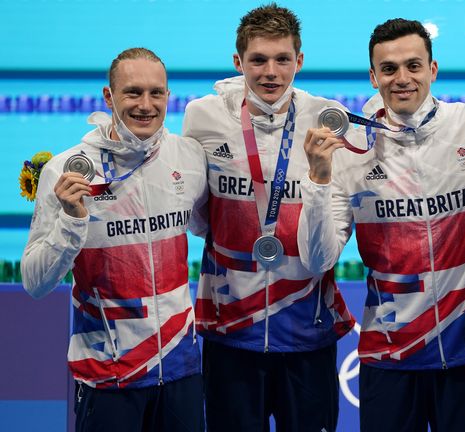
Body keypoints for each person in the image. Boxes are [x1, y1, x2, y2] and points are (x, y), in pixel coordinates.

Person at [298, 18, 465, 432]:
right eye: (389, 69)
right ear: (373, 77)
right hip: (389, 356)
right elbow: (318, 260)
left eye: (413, 66)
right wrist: (317, 179)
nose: (402, 78)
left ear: (433, 70)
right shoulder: (352, 152)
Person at [181, 3, 355, 431]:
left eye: (282, 59)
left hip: (307, 332)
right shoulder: (203, 117)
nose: (270, 72)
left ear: (300, 60)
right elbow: (199, 218)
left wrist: (317, 176)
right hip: (231, 331)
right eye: (258, 60)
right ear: (238, 62)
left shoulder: (327, 119)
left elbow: (327, 251)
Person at [21, 47, 208, 432]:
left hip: (181, 368)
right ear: (109, 97)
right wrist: (72, 221)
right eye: (133, 93)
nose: (146, 105)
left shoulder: (188, 158)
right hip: (108, 378)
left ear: (168, 96)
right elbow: (35, 283)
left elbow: (208, 227)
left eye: (156, 93)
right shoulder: (66, 169)